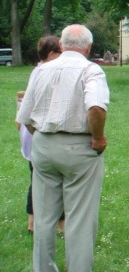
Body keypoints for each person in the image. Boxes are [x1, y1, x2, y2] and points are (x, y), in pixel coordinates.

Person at [16, 24, 110, 272]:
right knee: (79, 219)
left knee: (44, 217)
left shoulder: (41, 70)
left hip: (44, 144)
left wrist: (45, 136)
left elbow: (25, 116)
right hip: (80, 147)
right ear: (88, 47)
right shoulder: (91, 70)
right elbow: (97, 108)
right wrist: (98, 138)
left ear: (62, 43)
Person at [15, 36, 64, 234]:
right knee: (53, 180)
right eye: (61, 53)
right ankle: (59, 225)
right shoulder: (46, 73)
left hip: (31, 133)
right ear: (52, 54)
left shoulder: (37, 71)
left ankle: (32, 222)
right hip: (37, 133)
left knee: (37, 178)